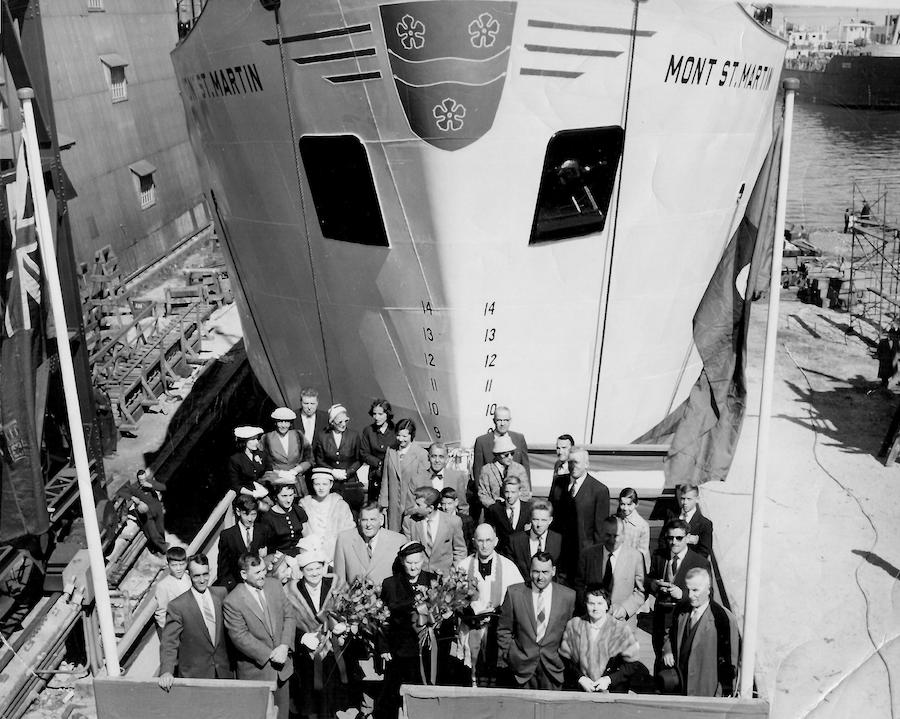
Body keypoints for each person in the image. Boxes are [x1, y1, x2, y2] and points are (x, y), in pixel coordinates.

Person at [285, 550, 359, 719]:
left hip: (334, 652)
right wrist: (302, 637)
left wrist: (344, 625)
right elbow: (285, 621)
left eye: (318, 568)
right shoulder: (291, 591)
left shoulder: (336, 585)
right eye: (309, 570)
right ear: (302, 571)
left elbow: (351, 612)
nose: (314, 573)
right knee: (311, 704)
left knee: (333, 702)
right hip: (306, 655)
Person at [224, 553, 296, 719]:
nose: (263, 575)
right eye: (257, 573)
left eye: (264, 570)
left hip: (282, 669)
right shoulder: (232, 601)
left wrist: (284, 646)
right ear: (243, 574)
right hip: (257, 673)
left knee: (282, 715)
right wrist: (271, 654)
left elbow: (289, 616)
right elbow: (240, 637)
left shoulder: (274, 585)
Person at [456, 524, 524, 686]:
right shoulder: (463, 566)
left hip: (497, 630)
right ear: (474, 541)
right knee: (472, 678)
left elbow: (519, 599)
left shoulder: (508, 567)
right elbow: (454, 599)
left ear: (496, 541)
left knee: (496, 678)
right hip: (471, 629)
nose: (484, 545)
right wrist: (467, 612)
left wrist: (500, 613)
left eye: (488, 540)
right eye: (480, 540)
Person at [496, 552, 576, 690]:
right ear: (530, 570)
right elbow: (504, 630)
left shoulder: (567, 596)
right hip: (521, 668)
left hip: (553, 669)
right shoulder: (514, 593)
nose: (540, 577)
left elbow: (571, 633)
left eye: (545, 572)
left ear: (554, 571)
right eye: (536, 572)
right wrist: (510, 654)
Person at [376, 542, 438, 719]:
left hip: (426, 647)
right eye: (409, 562)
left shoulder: (432, 580)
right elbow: (383, 617)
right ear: (402, 561)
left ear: (423, 560)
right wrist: (383, 646)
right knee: (392, 693)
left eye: (417, 562)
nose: (414, 566)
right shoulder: (391, 584)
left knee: (425, 689)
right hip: (400, 648)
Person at [662, 567, 739, 697]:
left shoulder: (723, 618)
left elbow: (730, 662)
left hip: (707, 691)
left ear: (708, 589)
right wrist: (668, 649)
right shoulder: (682, 610)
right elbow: (670, 633)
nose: (691, 595)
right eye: (688, 590)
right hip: (681, 688)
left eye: (696, 590)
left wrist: (722, 695)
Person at [158, 553, 231, 690]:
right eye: (197, 576)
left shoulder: (221, 594)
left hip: (224, 674)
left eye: (205, 574)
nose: (202, 580)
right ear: (188, 574)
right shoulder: (178, 606)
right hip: (195, 677)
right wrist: (166, 671)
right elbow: (169, 642)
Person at [647, 519, 711, 668]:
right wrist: (655, 586)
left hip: (684, 621)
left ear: (688, 538)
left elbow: (708, 594)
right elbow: (648, 579)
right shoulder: (659, 557)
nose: (674, 542)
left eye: (679, 538)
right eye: (670, 538)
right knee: (661, 666)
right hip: (661, 620)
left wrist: (683, 594)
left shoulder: (700, 562)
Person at [559, 585, 641, 693]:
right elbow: (565, 659)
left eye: (600, 603)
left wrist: (609, 680)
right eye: (591, 603)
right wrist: (580, 678)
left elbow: (632, 664)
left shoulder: (621, 630)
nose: (595, 608)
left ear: (607, 605)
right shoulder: (574, 625)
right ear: (585, 604)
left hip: (612, 691)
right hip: (581, 689)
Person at [549, 446, 610, 581]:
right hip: (559, 555)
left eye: (576, 462)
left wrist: (594, 560)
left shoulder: (599, 490)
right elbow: (551, 516)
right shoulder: (558, 482)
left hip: (583, 556)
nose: (572, 466)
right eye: (570, 462)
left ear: (586, 464)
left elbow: (600, 532)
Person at [574, 516, 645, 623]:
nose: (612, 540)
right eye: (608, 535)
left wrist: (625, 609)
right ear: (602, 533)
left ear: (623, 535)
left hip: (622, 623)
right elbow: (578, 585)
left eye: (616, 536)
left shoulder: (635, 557)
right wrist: (590, 606)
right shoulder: (588, 554)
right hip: (592, 622)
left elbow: (641, 591)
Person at [333, 501, 406, 588]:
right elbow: (339, 580)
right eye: (364, 520)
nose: (368, 524)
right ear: (359, 521)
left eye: (372, 519)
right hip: (355, 598)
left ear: (381, 520)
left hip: (388, 599)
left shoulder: (398, 541)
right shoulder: (344, 539)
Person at [379, 418, 430, 532]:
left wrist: (420, 506)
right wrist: (383, 503)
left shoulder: (421, 454)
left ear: (411, 436)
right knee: (393, 535)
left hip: (411, 504)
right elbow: (385, 478)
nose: (400, 439)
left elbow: (424, 484)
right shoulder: (390, 450)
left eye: (404, 436)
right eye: (398, 435)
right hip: (393, 504)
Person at [401, 486, 466, 575]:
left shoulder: (453, 521)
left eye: (419, 505)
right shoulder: (410, 521)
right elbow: (406, 551)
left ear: (430, 508)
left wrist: (455, 571)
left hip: (444, 576)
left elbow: (460, 550)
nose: (414, 507)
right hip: (419, 575)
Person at [313, 404, 364, 511]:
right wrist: (332, 471)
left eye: (345, 421)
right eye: (339, 422)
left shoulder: (353, 435)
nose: (343, 424)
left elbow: (359, 459)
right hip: (331, 482)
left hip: (350, 482)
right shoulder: (322, 436)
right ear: (332, 422)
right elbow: (319, 459)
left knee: (351, 511)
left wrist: (348, 472)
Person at [299, 468, 355, 562]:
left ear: (331, 484)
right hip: (311, 554)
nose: (321, 488)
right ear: (313, 485)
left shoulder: (341, 505)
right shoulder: (305, 505)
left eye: (325, 484)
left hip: (336, 554)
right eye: (317, 484)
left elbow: (349, 531)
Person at [215, 494, 267, 591]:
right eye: (246, 514)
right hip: (237, 586)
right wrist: (226, 589)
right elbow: (223, 567)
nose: (250, 519)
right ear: (238, 512)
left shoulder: (262, 531)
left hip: (258, 584)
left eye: (253, 514)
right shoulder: (227, 535)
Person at [471, 405, 531, 485]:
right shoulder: (482, 442)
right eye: (499, 420)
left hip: (514, 492)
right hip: (491, 493)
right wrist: (481, 494)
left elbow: (525, 467)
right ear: (494, 421)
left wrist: (527, 490)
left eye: (506, 420)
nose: (502, 424)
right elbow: (478, 472)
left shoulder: (519, 439)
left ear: (510, 421)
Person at [262, 407, 312, 498]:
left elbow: (309, 459)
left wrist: (294, 471)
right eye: (280, 421)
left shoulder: (298, 436)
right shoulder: (266, 438)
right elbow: (261, 463)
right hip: (276, 483)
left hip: (297, 483)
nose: (284, 425)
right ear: (275, 422)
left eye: (287, 422)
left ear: (290, 423)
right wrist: (279, 473)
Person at [506, 500, 561, 579]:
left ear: (550, 520)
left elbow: (562, 572)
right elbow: (510, 570)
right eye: (536, 519)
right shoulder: (515, 541)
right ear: (530, 519)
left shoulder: (558, 540)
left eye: (543, 520)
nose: (539, 524)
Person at [412, 443, 469, 516]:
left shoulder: (457, 477)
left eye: (441, 457)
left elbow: (463, 507)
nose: (437, 460)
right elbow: (410, 508)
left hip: (449, 523)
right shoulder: (417, 479)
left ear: (446, 458)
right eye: (433, 456)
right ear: (428, 457)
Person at [658, 484, 714, 559]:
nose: (685, 502)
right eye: (682, 498)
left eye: (689, 499)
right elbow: (662, 540)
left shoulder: (704, 524)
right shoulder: (671, 516)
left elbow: (704, 551)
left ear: (697, 499)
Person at [477, 434, 531, 511]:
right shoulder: (486, 470)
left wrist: (513, 505)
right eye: (506, 455)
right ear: (497, 455)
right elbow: (483, 494)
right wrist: (496, 507)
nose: (510, 457)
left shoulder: (519, 469)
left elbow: (525, 493)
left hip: (515, 510)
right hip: (493, 511)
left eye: (512, 453)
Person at [360, 399, 398, 504]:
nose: (376, 417)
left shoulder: (395, 430)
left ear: (387, 414)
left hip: (392, 474)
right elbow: (364, 453)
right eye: (374, 414)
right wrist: (379, 463)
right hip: (375, 474)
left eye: (380, 414)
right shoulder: (368, 430)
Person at [258, 481, 309, 558]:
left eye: (291, 495)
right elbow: (264, 545)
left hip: (300, 552)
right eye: (284, 496)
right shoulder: (268, 518)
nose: (288, 500)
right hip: (279, 556)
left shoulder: (298, 510)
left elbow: (306, 536)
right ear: (275, 497)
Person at [483, 476, 532, 554]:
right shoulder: (495, 509)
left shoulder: (529, 509)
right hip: (502, 553)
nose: (509, 496)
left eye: (513, 492)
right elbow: (488, 531)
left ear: (519, 492)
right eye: (506, 492)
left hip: (522, 554)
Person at [295, 387, 329, 493]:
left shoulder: (325, 417)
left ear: (317, 403)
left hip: (319, 465)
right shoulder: (293, 417)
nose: (309, 407)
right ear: (301, 402)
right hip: (299, 466)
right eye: (306, 403)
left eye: (312, 403)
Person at [154, 546, 190, 630]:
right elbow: (161, 614)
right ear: (168, 565)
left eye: (181, 564)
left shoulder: (190, 577)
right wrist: (171, 633)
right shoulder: (163, 586)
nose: (178, 569)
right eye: (174, 565)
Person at [227, 426, 268, 499]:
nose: (256, 442)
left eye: (257, 439)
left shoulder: (261, 454)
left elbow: (268, 471)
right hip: (246, 496)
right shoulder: (236, 459)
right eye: (252, 439)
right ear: (244, 441)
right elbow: (235, 484)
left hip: (264, 491)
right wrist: (253, 494)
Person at [617, 488, 650, 570]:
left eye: (629, 505)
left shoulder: (642, 525)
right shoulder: (616, 520)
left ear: (636, 504)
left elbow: (642, 551)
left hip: (634, 567)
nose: (625, 508)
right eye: (622, 504)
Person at [440, 487, 474, 553]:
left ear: (456, 502)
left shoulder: (466, 520)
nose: (446, 507)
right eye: (443, 504)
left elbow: (471, 543)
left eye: (449, 503)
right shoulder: (438, 520)